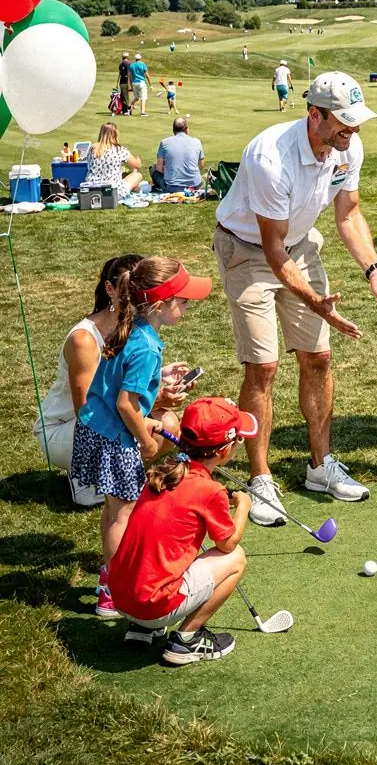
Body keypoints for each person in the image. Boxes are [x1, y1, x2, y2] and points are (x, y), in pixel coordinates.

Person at [213, 71, 377, 520]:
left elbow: (349, 214)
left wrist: (374, 269)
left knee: (318, 358)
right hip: (248, 252)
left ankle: (320, 467)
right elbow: (271, 249)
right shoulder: (271, 158)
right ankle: (260, 479)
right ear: (314, 114)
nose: (353, 130)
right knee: (263, 366)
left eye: (356, 121)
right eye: (343, 121)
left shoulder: (349, 145)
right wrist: (315, 302)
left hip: (299, 246)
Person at [71, 257, 211, 618]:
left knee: (114, 508)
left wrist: (153, 385)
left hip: (94, 426)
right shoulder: (146, 345)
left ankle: (111, 578)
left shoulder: (129, 326)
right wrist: (146, 441)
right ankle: (116, 589)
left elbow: (117, 381)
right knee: (125, 514)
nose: (188, 306)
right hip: (115, 435)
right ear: (161, 306)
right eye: (183, 301)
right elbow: (125, 403)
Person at [107, 396, 256, 659]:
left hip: (119, 598)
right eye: (239, 441)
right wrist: (243, 505)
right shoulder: (210, 491)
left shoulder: (162, 473)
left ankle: (143, 629)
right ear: (225, 450)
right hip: (153, 606)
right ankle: (187, 639)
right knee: (236, 559)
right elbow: (227, 543)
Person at [33, 254, 145, 505]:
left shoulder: (136, 328)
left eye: (144, 291)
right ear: (109, 289)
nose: (138, 300)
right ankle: (84, 475)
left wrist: (161, 382)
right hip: (66, 428)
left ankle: (107, 472)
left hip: (103, 417)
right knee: (145, 426)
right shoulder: (83, 339)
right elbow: (87, 411)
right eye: (130, 291)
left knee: (167, 423)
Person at [86, 122, 143, 199]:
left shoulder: (92, 149)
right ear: (115, 134)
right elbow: (137, 165)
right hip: (113, 192)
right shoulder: (119, 150)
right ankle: (135, 188)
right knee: (137, 175)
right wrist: (138, 159)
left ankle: (135, 188)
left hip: (92, 190)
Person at [152, 117, 205, 193]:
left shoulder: (164, 142)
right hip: (195, 186)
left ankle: (159, 188)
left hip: (172, 187)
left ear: (173, 130)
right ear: (186, 129)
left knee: (154, 170)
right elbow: (201, 165)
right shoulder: (197, 141)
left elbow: (159, 168)